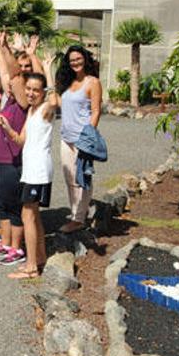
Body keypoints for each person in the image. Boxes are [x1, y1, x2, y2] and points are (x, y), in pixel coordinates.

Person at [0, 56, 59, 280]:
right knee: (34, 216)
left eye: (35, 90)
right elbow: (20, 140)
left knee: (27, 215)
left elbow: (54, 101)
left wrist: (48, 71)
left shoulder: (44, 110)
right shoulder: (31, 112)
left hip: (39, 170)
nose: (31, 93)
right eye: (29, 89)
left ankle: (31, 266)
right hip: (30, 170)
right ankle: (39, 258)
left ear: (42, 92)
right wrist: (7, 127)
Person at [0, 30, 40, 265]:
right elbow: (7, 74)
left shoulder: (26, 100)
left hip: (11, 162)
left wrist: (9, 49)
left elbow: (15, 75)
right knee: (3, 206)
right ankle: (5, 244)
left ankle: (17, 248)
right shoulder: (10, 99)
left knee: (14, 207)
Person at [56, 45, 102, 233]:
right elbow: (61, 104)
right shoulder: (68, 82)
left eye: (78, 58)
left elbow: (96, 110)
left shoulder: (93, 82)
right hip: (66, 137)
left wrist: (88, 135)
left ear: (85, 59)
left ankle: (79, 218)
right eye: (72, 60)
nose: (75, 62)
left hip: (82, 138)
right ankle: (76, 213)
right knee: (70, 179)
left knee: (83, 177)